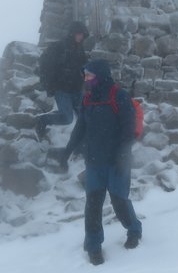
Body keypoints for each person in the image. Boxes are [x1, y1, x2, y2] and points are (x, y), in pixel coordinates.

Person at [60, 59, 142, 266]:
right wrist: (67, 150)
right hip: (94, 162)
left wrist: (123, 154)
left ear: (100, 76)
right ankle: (93, 247)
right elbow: (80, 128)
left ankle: (134, 229)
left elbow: (129, 128)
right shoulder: (88, 99)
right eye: (85, 76)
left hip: (116, 162)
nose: (86, 79)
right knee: (93, 205)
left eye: (89, 75)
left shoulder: (119, 96)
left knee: (119, 202)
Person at [36, 21, 89, 137]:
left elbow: (84, 67)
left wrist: (89, 83)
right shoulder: (59, 47)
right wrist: (48, 86)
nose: (81, 36)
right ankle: (43, 120)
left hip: (77, 89)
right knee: (67, 118)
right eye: (79, 34)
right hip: (62, 89)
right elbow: (45, 66)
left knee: (84, 116)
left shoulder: (80, 49)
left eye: (82, 34)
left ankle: (82, 144)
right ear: (73, 33)